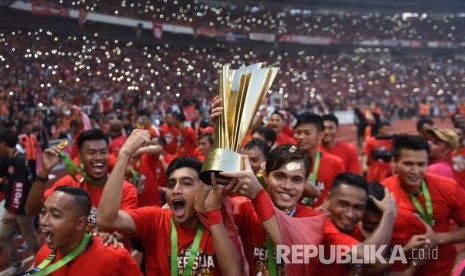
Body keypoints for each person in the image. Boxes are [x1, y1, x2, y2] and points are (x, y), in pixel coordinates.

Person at [96, 129, 241, 275]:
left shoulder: (214, 224)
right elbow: (105, 219)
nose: (176, 190)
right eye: (171, 184)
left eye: (187, 183)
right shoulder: (155, 219)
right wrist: (124, 155)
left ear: (203, 190)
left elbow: (234, 272)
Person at [25, 129, 138, 235]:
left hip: (111, 254)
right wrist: (44, 171)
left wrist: (115, 237)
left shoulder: (125, 189)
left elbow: (129, 229)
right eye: (91, 152)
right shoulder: (68, 184)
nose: (98, 157)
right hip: (72, 255)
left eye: (103, 152)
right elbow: (31, 209)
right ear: (80, 158)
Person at [382, 135, 465, 275]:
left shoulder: (449, 188)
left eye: (421, 164)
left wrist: (438, 238)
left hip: (440, 271)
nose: (415, 171)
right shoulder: (383, 192)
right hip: (397, 271)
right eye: (408, 164)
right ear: (394, 162)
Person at [30, 186, 141, 275]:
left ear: (80, 223)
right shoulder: (44, 254)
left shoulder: (114, 257)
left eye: (55, 215)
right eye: (44, 212)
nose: (43, 221)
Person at [0, 129, 41, 275]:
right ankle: (17, 265)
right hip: (15, 207)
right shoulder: (14, 159)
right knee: (3, 235)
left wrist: (11, 210)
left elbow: (19, 187)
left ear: (4, 144)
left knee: (30, 237)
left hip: (22, 209)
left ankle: (42, 263)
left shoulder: (18, 160)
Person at [293, 112, 345, 207]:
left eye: (307, 133)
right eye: (298, 132)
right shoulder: (287, 160)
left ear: (320, 135)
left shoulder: (336, 163)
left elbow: (340, 196)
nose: (301, 137)